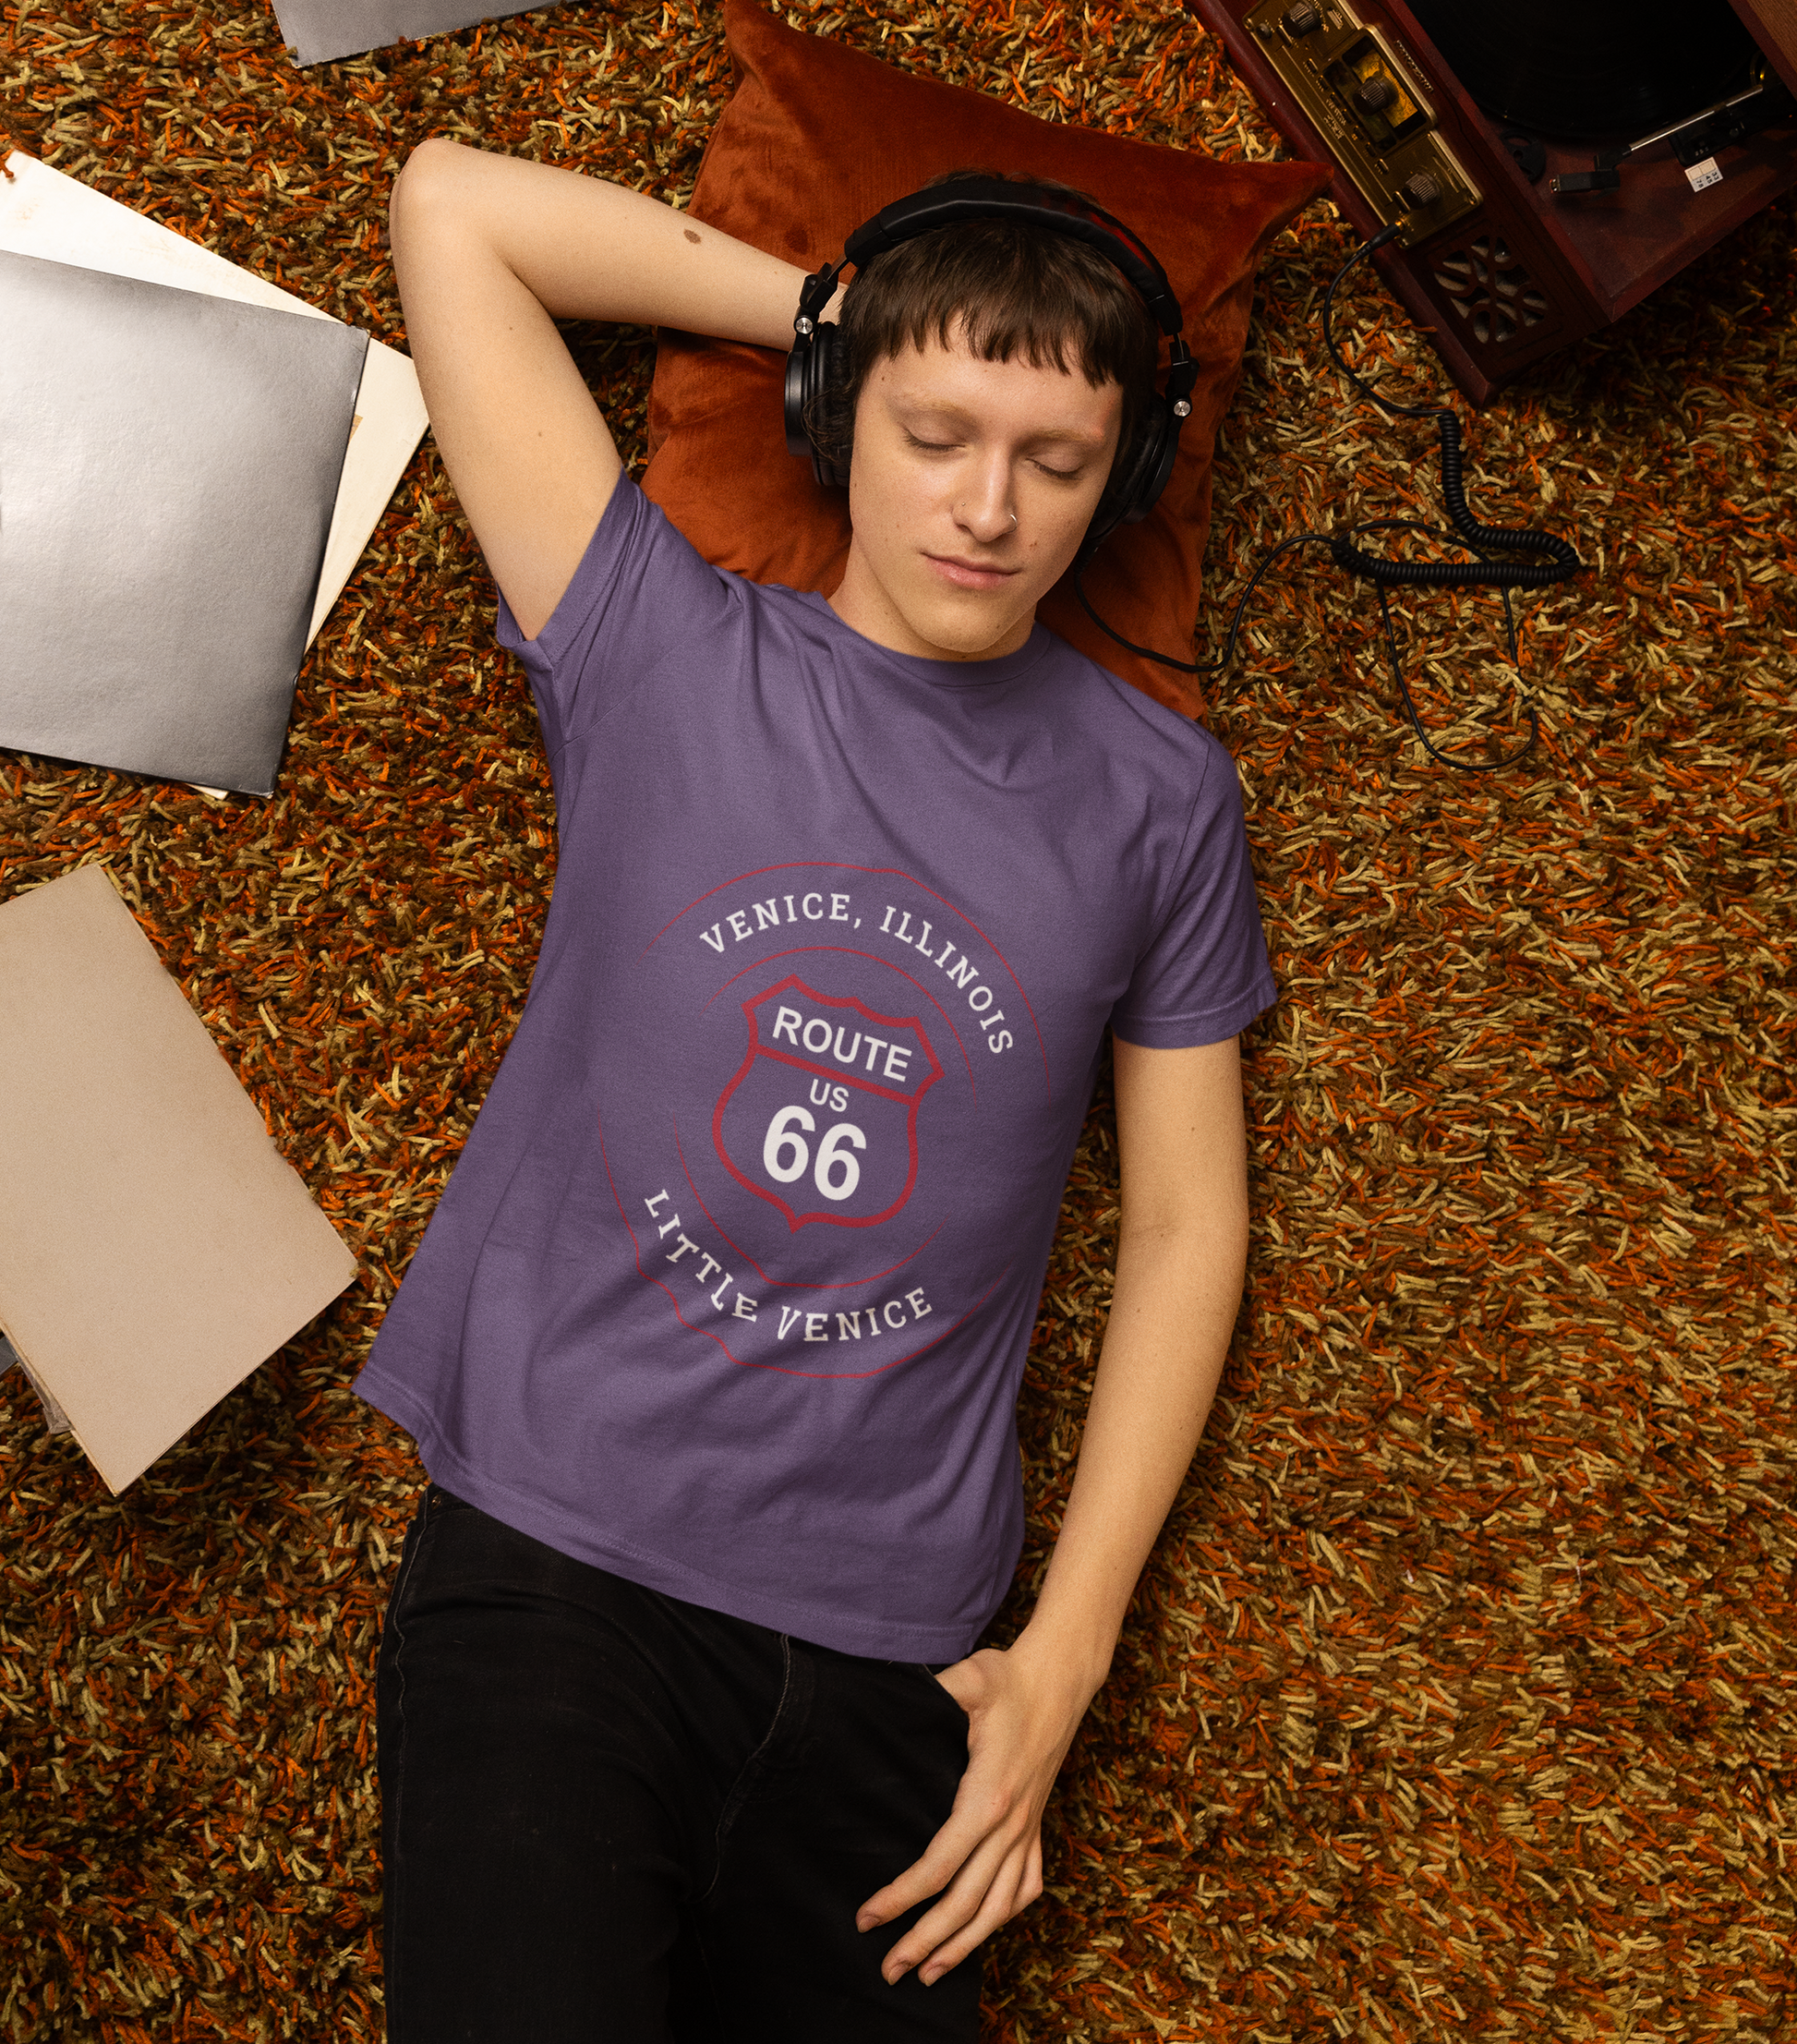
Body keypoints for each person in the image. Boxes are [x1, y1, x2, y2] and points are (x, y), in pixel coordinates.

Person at [359, 135, 1274, 2042]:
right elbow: (451, 205)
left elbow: (1188, 1221)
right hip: (559, 1576)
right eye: (934, 429)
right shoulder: (656, 643)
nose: (989, 507)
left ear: (1126, 479)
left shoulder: (1162, 798)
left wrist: (1063, 1660)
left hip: (902, 1658)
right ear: (834, 413)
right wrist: (831, 310)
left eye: (1056, 459)